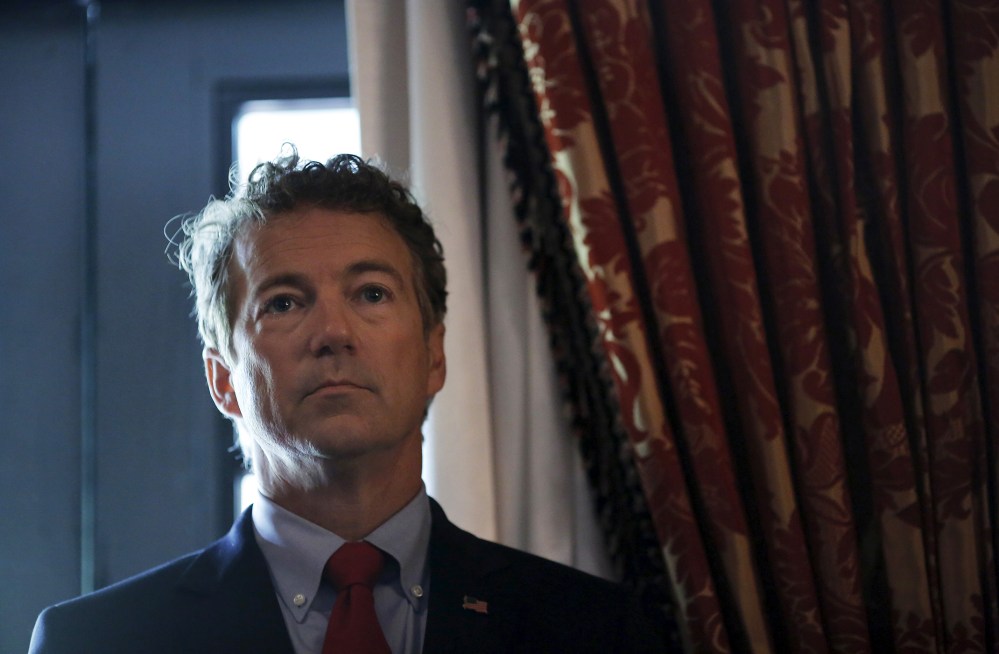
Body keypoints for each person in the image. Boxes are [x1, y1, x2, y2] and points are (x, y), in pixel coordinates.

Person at [29, 150, 666, 653]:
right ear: (223, 380)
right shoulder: (96, 642)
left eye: (371, 294)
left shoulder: (598, 630)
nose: (333, 332)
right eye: (283, 302)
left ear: (434, 356)